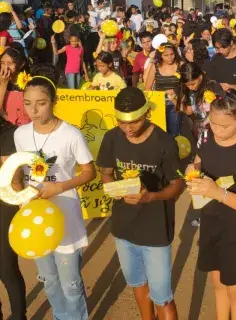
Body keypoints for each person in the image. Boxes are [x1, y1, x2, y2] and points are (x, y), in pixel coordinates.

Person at [14, 66, 96, 320]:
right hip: (35, 218)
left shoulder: (71, 134)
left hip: (65, 218)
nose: (34, 111)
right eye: (28, 104)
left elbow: (88, 173)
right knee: (48, 279)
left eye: (41, 103)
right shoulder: (20, 134)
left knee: (71, 284)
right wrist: (19, 195)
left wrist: (59, 187)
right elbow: (18, 171)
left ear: (54, 101)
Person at [98, 87, 183, 320]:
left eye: (134, 122)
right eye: (122, 123)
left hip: (155, 232)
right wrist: (115, 189)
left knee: (162, 296)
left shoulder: (164, 142)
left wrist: (150, 197)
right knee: (137, 284)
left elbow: (177, 185)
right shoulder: (111, 138)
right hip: (123, 229)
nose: (128, 129)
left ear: (146, 114)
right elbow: (106, 173)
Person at [185, 90, 236, 320]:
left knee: (235, 290)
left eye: (224, 126)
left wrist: (216, 192)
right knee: (218, 283)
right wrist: (194, 168)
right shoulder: (206, 134)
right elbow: (200, 159)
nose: (217, 131)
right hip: (211, 220)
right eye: (213, 124)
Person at [0, 116, 27, 320]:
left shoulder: (9, 133)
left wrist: (22, 210)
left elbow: (15, 179)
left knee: (6, 267)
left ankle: (19, 316)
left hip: (5, 204)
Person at [176, 62, 223, 140]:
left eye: (192, 84)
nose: (190, 87)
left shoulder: (212, 86)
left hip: (216, 127)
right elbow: (188, 111)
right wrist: (174, 99)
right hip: (199, 129)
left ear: (200, 77)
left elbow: (223, 108)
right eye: (187, 85)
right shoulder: (187, 90)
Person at [144, 44, 183, 137]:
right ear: (160, 55)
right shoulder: (155, 66)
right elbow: (147, 88)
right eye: (166, 55)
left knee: (174, 132)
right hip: (159, 104)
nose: (170, 57)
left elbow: (187, 84)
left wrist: (176, 91)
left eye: (172, 54)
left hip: (175, 103)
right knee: (159, 132)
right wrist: (164, 93)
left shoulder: (181, 65)